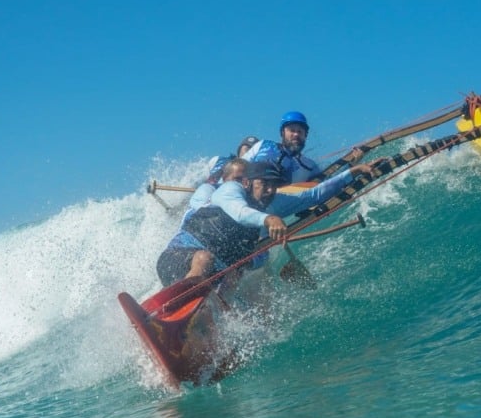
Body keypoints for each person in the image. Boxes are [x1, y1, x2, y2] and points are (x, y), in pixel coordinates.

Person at [156, 158, 375, 287]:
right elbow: (240, 213)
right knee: (204, 258)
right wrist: (268, 219)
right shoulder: (228, 190)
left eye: (274, 185)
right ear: (247, 183)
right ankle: (173, 307)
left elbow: (314, 195)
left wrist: (352, 172)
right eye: (263, 184)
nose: (270, 190)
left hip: (212, 279)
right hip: (175, 260)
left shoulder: (273, 201)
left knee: (228, 282)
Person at [241, 111, 322, 183]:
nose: (296, 134)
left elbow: (322, 184)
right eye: (292, 130)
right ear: (282, 133)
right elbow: (239, 167)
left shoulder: (310, 166)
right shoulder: (263, 146)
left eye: (300, 131)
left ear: (305, 136)